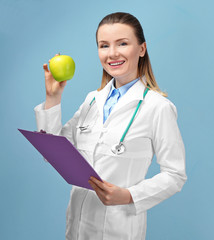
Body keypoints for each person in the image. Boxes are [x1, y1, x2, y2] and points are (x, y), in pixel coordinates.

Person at [34, 12, 187, 240]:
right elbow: (55, 153)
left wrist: (128, 195)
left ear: (142, 49)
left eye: (122, 43)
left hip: (118, 230)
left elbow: (175, 175)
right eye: (104, 46)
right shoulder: (92, 100)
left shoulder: (158, 107)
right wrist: (53, 98)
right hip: (77, 228)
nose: (112, 53)